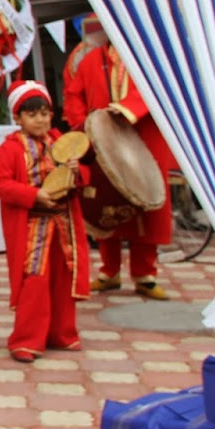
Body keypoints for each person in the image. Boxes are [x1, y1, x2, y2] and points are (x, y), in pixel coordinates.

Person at [62, 24, 176, 300]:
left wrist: (126, 109)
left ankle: (145, 275)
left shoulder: (148, 59)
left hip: (143, 140)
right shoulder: (90, 59)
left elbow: (159, 88)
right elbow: (73, 94)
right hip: (103, 146)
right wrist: (84, 124)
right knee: (104, 204)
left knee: (145, 209)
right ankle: (109, 271)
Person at [0, 81, 90, 363]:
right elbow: (1, 184)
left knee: (63, 278)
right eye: (32, 114)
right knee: (35, 281)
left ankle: (62, 333)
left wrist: (77, 171)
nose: (40, 120)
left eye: (45, 113)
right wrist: (34, 195)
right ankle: (26, 340)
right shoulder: (10, 150)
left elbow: (83, 178)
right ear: (17, 118)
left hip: (63, 224)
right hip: (32, 227)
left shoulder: (61, 142)